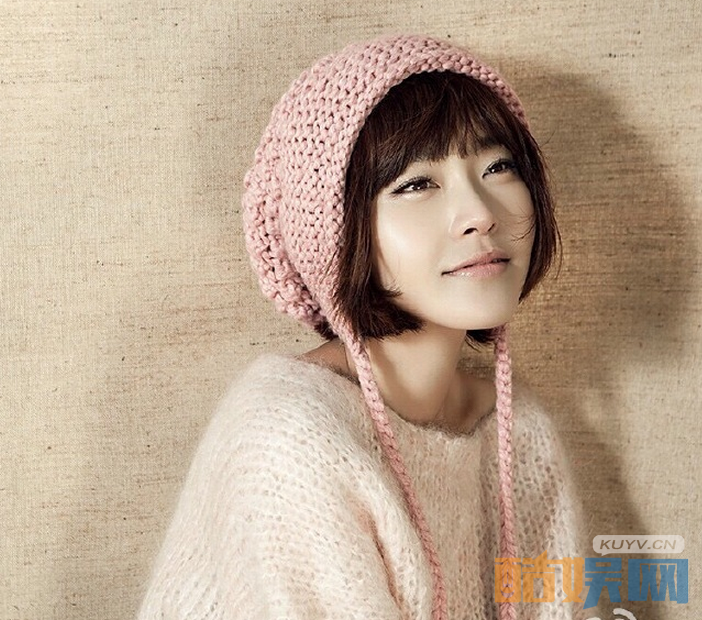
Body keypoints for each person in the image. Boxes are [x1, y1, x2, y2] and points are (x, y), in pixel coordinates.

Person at [138, 34, 588, 620]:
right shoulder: (290, 439)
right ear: (335, 232)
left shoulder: (518, 430)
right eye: (416, 184)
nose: (480, 214)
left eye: (497, 166)